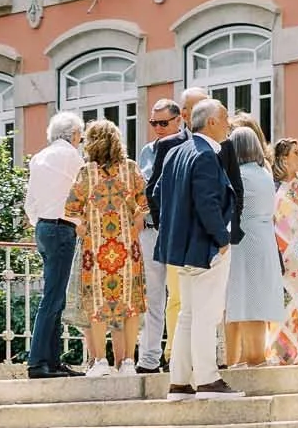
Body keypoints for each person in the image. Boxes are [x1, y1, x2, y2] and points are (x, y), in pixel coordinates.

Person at [153, 98, 236, 396]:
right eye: (225, 117)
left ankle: (179, 380)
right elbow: (207, 202)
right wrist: (222, 240)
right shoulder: (204, 155)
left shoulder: (176, 152)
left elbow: (158, 193)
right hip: (205, 247)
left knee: (188, 312)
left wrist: (174, 227)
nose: (229, 124)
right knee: (205, 313)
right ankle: (207, 378)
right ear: (212, 121)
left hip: (180, 247)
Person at [64, 121, 147, 374]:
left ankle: (100, 361)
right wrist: (134, 225)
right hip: (127, 250)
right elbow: (144, 205)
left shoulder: (86, 172)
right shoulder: (131, 169)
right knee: (130, 304)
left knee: (97, 303)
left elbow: (70, 209)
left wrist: (84, 228)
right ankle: (129, 362)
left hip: (96, 250)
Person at [24, 111, 86, 380]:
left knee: (54, 295)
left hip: (44, 227)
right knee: (53, 297)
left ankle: (50, 360)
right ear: (74, 135)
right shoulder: (73, 157)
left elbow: (31, 203)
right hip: (61, 228)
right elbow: (83, 193)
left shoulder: (39, 157)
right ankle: (38, 362)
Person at [224, 121, 283, 368]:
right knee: (256, 298)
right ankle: (254, 357)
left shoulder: (240, 176)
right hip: (265, 240)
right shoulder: (264, 173)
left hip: (244, 242)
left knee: (247, 301)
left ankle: (252, 358)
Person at [133, 99, 184, 372]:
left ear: (179, 120)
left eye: (163, 123)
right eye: (154, 123)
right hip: (151, 231)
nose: (158, 128)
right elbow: (142, 189)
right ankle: (149, 359)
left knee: (181, 298)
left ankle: (178, 356)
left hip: (178, 230)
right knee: (153, 298)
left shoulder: (189, 146)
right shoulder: (147, 151)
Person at [269, 139, 298, 365]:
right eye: (297, 152)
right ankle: (281, 353)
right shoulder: (272, 186)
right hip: (281, 254)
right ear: (284, 158)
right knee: (284, 304)